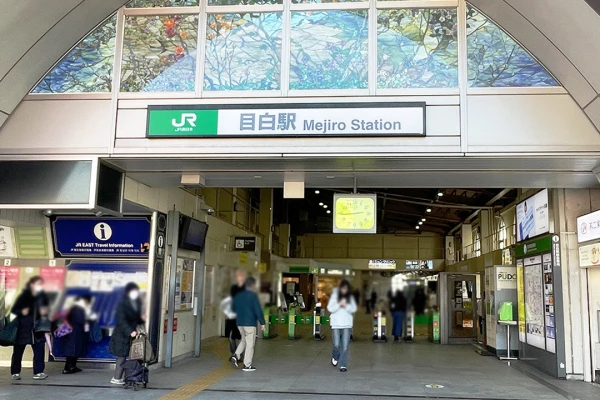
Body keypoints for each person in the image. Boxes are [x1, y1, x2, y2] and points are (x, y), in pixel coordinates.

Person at [10, 276, 49, 380]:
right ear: (31, 284)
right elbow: (13, 310)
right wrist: (21, 312)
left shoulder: (42, 296)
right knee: (18, 350)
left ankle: (38, 372)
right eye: (38, 284)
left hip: (37, 327)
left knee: (39, 349)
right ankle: (15, 372)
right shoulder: (23, 296)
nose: (40, 286)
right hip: (23, 327)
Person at [109, 283, 144, 385]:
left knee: (130, 355)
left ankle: (130, 376)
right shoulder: (123, 304)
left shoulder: (136, 303)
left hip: (131, 335)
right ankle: (116, 378)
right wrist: (130, 331)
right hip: (121, 334)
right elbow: (122, 320)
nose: (135, 293)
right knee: (122, 356)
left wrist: (141, 321)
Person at [230, 277, 265, 372]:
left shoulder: (238, 295)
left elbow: (233, 308)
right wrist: (262, 323)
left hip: (240, 322)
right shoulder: (253, 296)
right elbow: (258, 310)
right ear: (253, 285)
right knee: (250, 344)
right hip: (250, 323)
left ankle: (236, 355)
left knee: (244, 340)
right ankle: (247, 365)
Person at [327, 280, 357, 372]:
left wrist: (346, 306)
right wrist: (339, 304)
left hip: (347, 323)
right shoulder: (335, 296)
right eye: (343, 288)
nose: (344, 290)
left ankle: (343, 365)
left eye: (346, 289)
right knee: (336, 344)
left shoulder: (350, 297)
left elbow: (353, 309)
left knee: (345, 345)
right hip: (336, 323)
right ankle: (335, 356)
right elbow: (330, 308)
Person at [62, 295, 95, 374]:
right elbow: (81, 321)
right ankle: (67, 368)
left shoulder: (78, 308)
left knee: (76, 350)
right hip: (74, 333)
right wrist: (90, 318)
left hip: (77, 332)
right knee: (72, 350)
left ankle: (73, 366)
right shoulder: (78, 308)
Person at [225, 270, 246, 357]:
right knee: (231, 336)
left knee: (241, 336)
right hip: (232, 315)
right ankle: (234, 353)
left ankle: (238, 354)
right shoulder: (233, 288)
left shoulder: (246, 288)